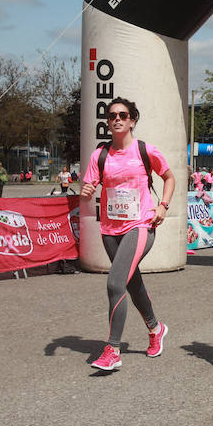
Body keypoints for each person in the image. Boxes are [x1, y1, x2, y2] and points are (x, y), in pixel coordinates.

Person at [80, 97, 175, 372]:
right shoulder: (99, 155)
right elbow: (89, 186)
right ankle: (156, 328)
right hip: (110, 229)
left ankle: (113, 349)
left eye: (123, 115)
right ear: (108, 122)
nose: (117, 119)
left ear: (132, 120)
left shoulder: (146, 150)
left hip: (141, 225)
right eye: (112, 116)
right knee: (131, 283)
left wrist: (163, 206)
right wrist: (86, 191)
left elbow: (170, 177)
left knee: (114, 283)